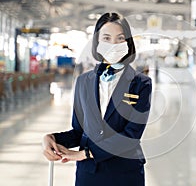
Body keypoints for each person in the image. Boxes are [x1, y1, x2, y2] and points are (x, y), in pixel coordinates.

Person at [42, 12, 152, 186]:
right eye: (106, 38)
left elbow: (131, 135)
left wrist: (84, 154)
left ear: (128, 43)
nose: (113, 44)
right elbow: (79, 132)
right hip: (89, 174)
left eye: (120, 38)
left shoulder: (141, 83)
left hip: (125, 173)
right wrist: (52, 139)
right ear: (97, 42)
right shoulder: (83, 82)